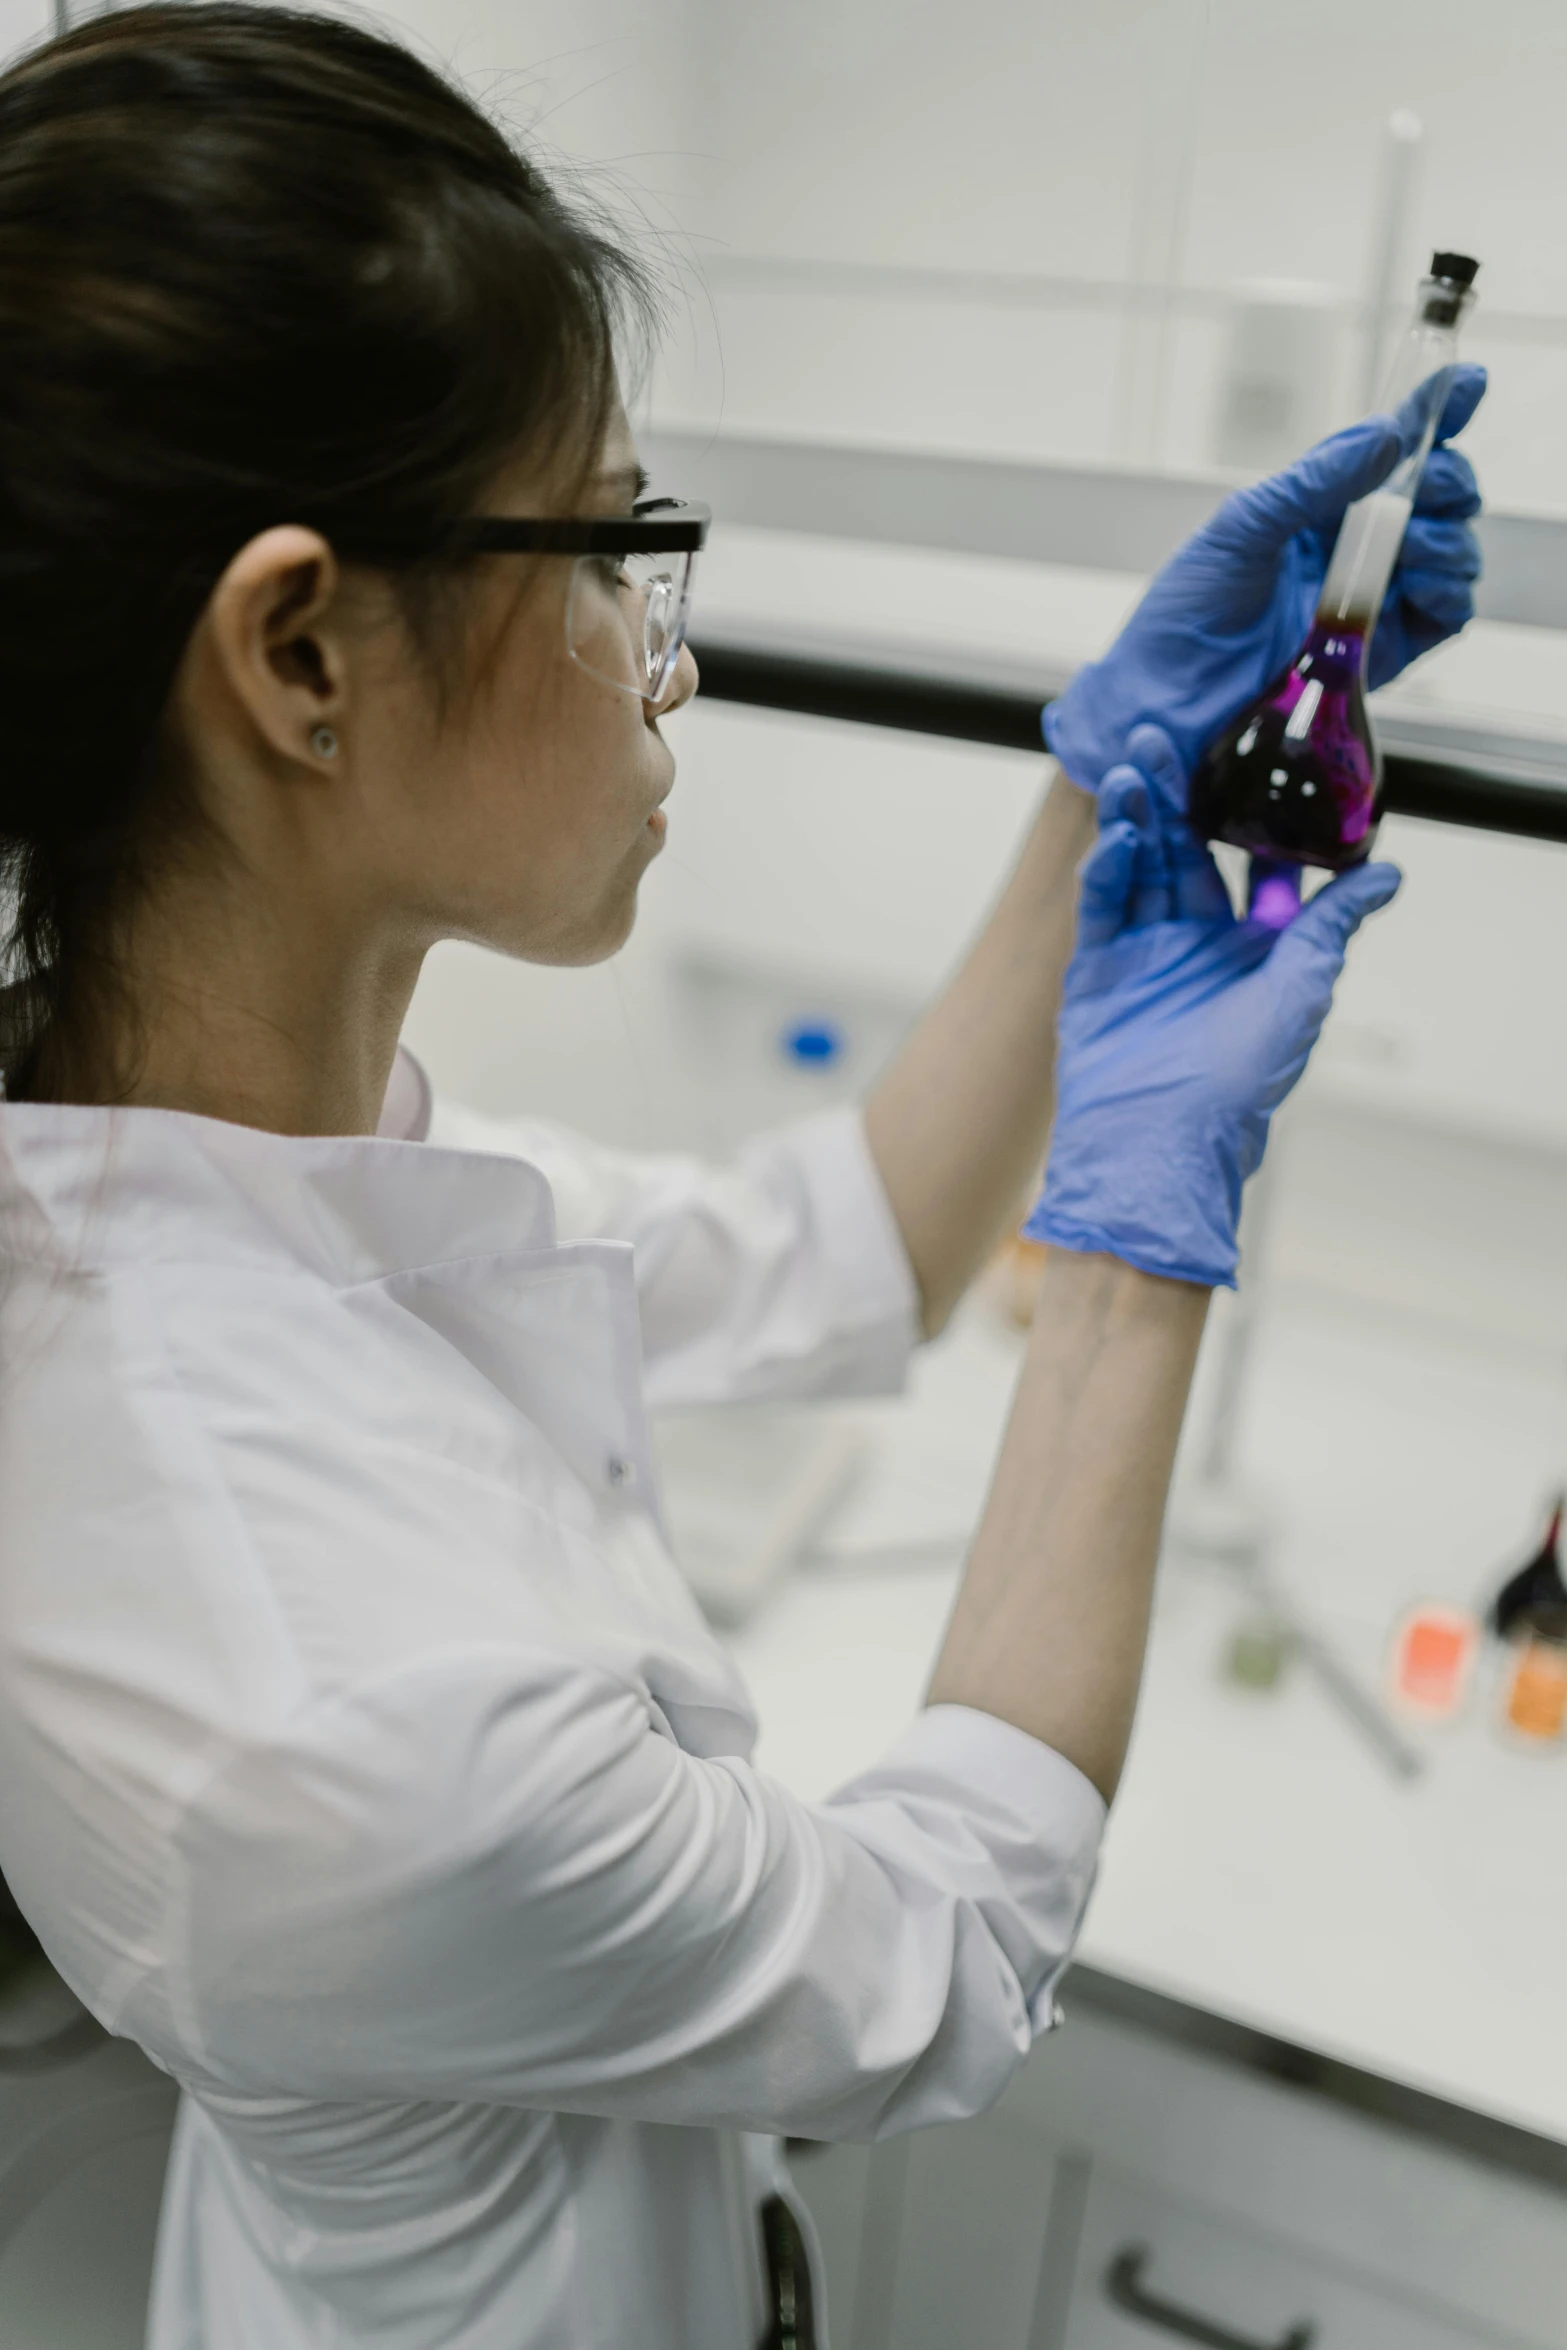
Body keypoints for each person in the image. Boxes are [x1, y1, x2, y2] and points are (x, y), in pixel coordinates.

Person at [0, 10, 1484, 2349]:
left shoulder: (208, 1169)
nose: (652, 656)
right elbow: (947, 1947)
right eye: (610, 544)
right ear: (301, 649)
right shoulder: (331, 1710)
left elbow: (844, 1252)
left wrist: (1104, 787)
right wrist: (1133, 1253)